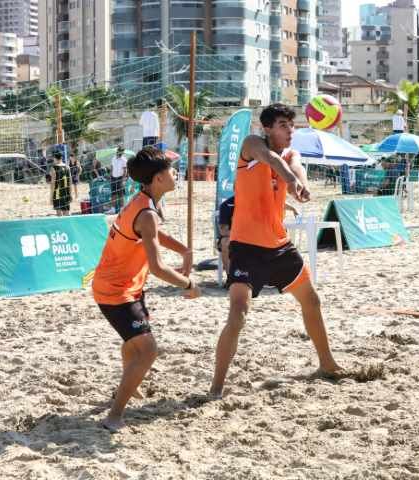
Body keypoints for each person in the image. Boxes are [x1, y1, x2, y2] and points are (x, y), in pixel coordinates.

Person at [209, 104, 343, 398]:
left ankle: (327, 364)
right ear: (267, 128)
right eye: (283, 125)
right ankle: (216, 387)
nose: (290, 131)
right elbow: (271, 159)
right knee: (238, 315)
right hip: (246, 247)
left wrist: (300, 185)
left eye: (292, 125)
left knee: (312, 301)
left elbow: (295, 168)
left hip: (279, 246)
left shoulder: (291, 155)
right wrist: (291, 180)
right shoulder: (251, 144)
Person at [92, 146, 200, 432]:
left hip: (126, 285)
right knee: (148, 350)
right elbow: (158, 268)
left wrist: (184, 250)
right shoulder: (147, 211)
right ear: (158, 178)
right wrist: (189, 284)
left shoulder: (145, 200)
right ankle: (114, 416)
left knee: (133, 343)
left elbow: (152, 234)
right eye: (171, 170)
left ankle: (129, 386)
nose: (176, 173)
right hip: (116, 290)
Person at [217, 195, 299, 278]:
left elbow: (276, 202)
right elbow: (223, 231)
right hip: (236, 236)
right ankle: (230, 277)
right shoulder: (227, 205)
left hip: (257, 236)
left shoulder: (257, 200)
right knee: (225, 242)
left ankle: (271, 276)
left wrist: (293, 208)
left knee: (275, 240)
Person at [49, 150, 72, 216]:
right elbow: (70, 182)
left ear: (54, 158)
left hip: (57, 193)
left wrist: (51, 197)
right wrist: (70, 194)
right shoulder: (67, 167)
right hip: (66, 193)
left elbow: (53, 184)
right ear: (61, 157)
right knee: (66, 214)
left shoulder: (53, 168)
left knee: (59, 215)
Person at [111, 146, 128, 213]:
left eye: (122, 151)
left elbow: (125, 170)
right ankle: (113, 209)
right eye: (120, 151)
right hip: (113, 178)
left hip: (120, 178)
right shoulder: (113, 158)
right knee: (113, 194)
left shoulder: (124, 159)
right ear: (117, 151)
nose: (121, 152)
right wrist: (111, 175)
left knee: (121, 195)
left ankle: (122, 209)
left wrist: (123, 180)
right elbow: (112, 167)